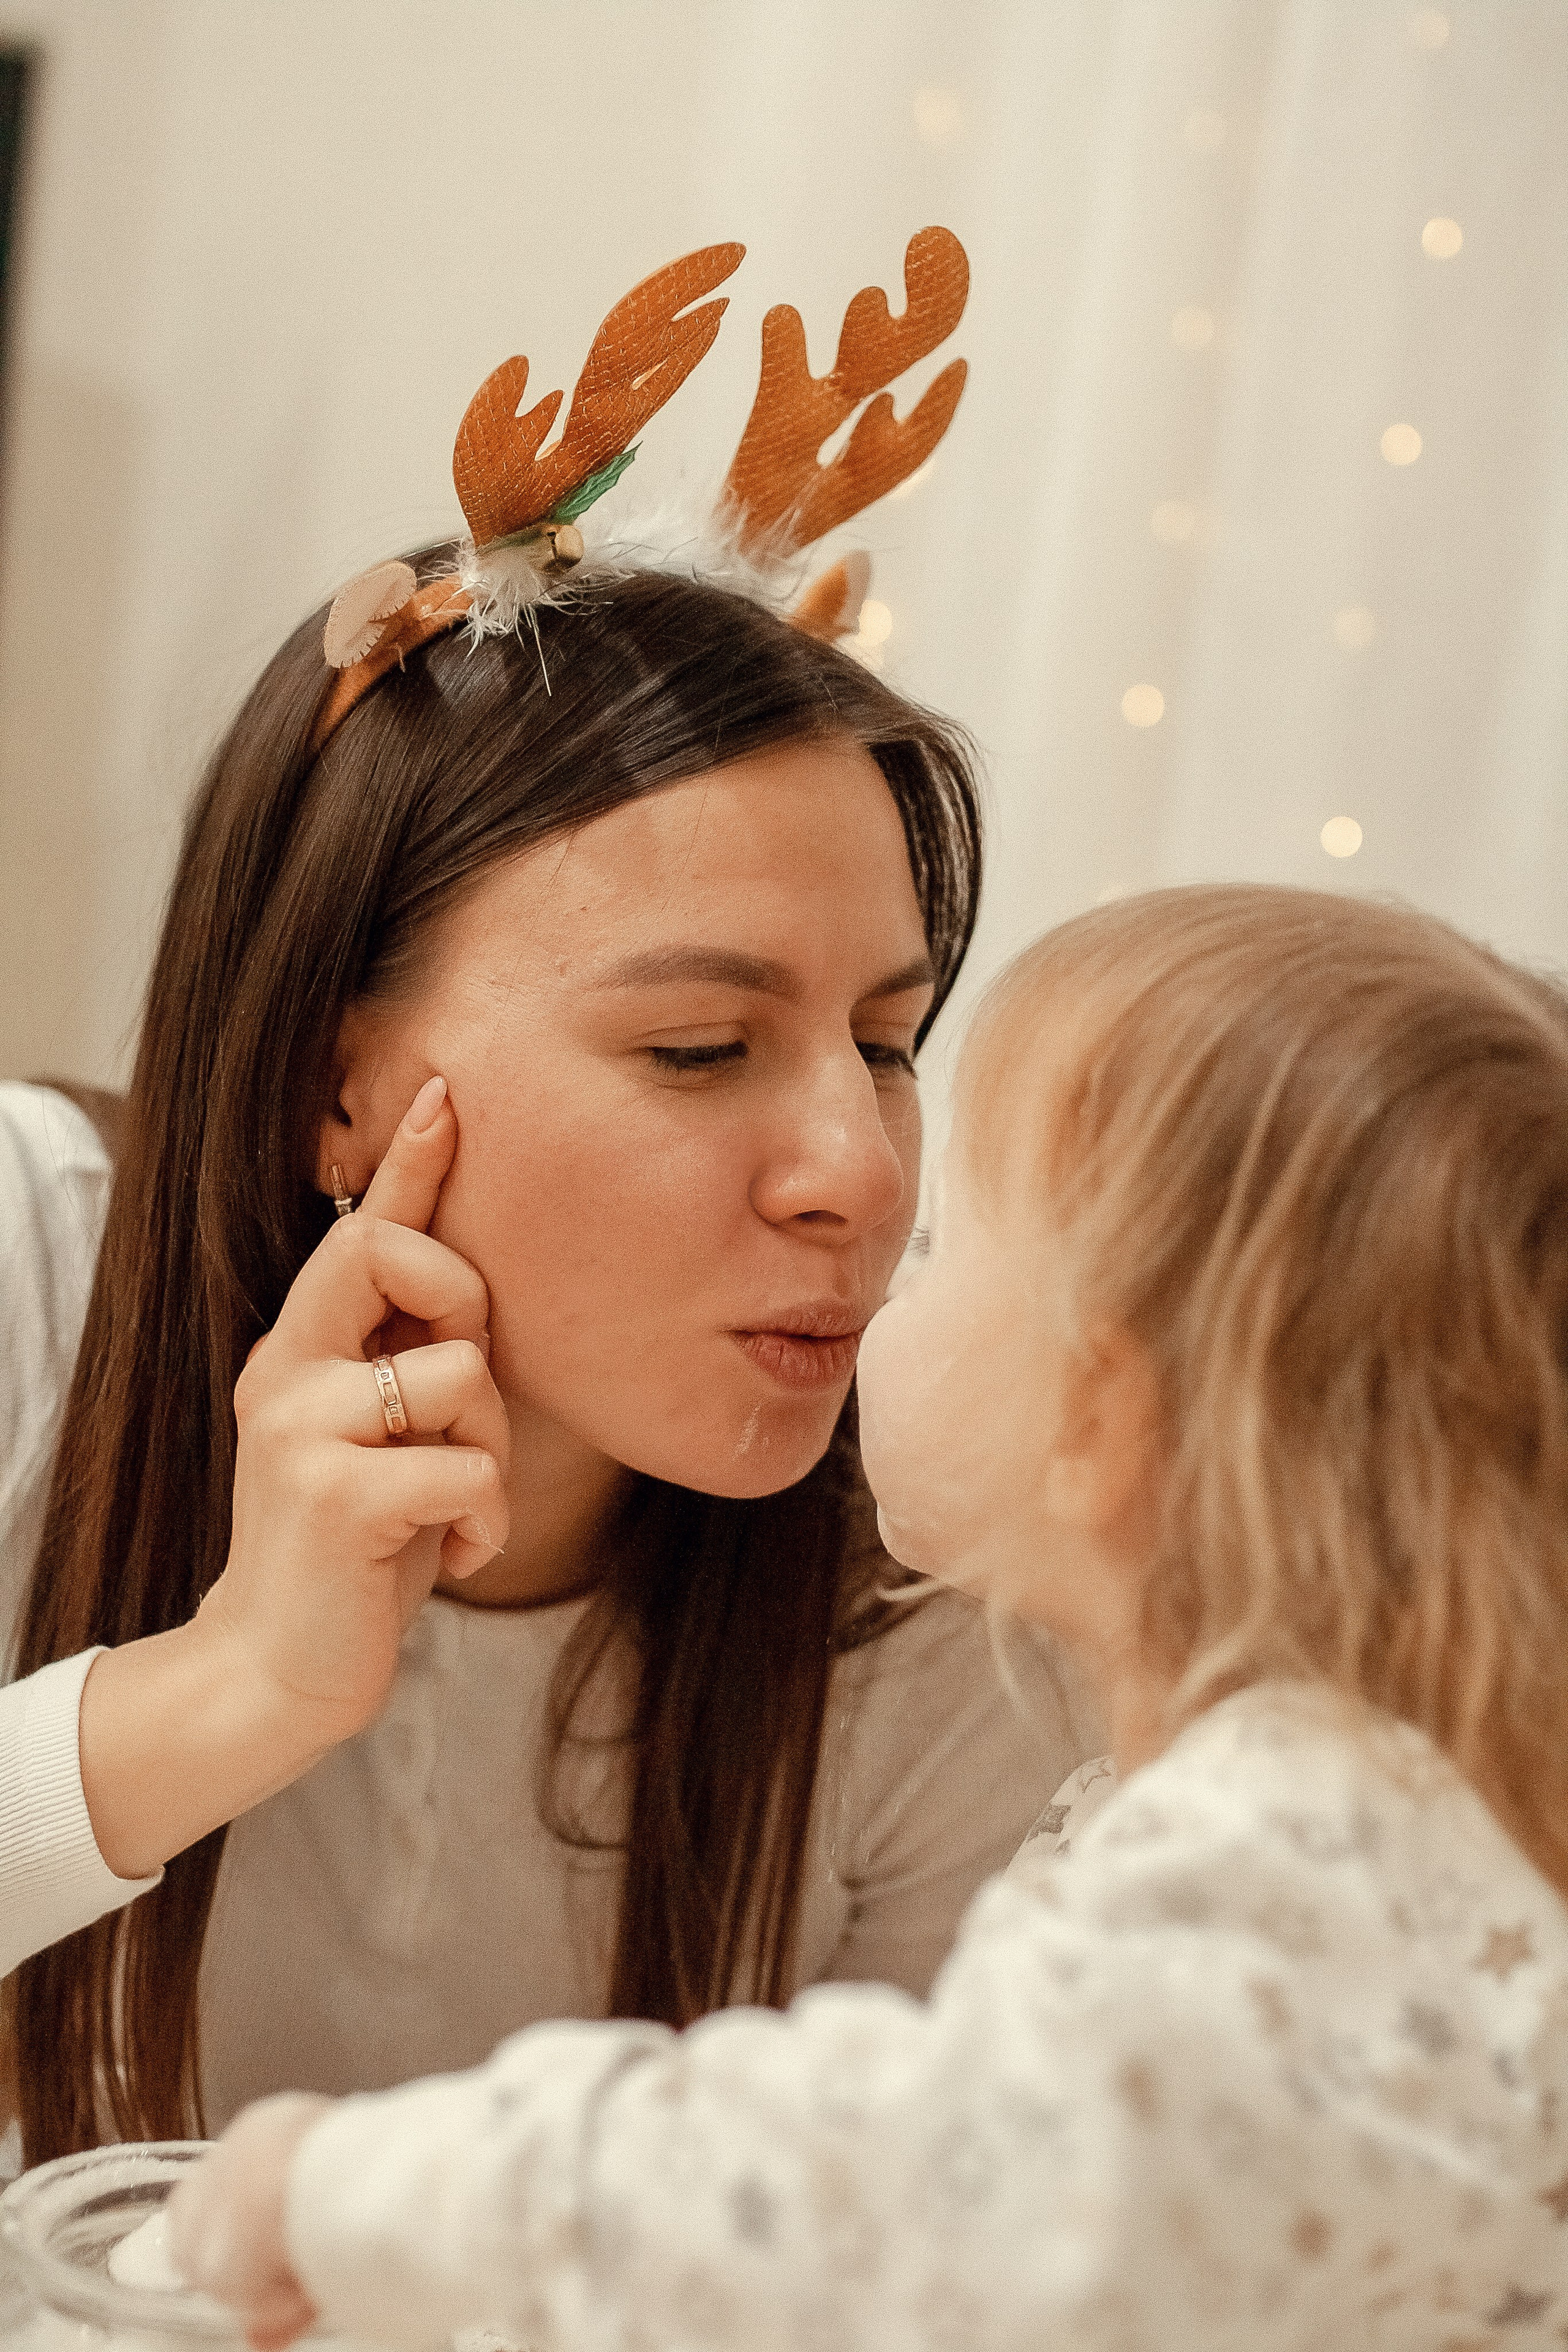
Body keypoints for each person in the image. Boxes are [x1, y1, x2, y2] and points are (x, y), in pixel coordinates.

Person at [4, 232, 1095, 2161]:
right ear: (334, 1084)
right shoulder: (32, 1257)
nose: (856, 1171)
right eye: (698, 1051)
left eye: (890, 1040)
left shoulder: (936, 1595)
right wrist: (236, 1679)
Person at [175, 884, 1568, 2351]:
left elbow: (909, 2190)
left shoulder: (1310, 1845)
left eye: (955, 1238)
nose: (874, 1225)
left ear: (1100, 1415)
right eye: (707, 1046)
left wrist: (370, 2195)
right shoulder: (1351, 1821)